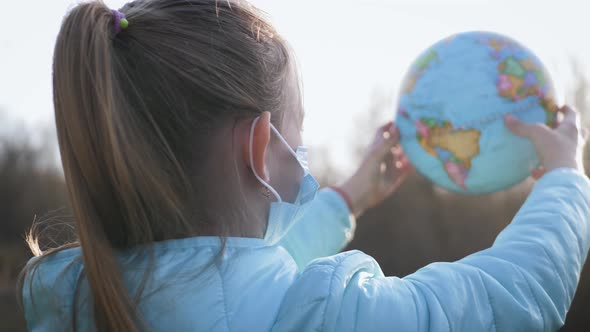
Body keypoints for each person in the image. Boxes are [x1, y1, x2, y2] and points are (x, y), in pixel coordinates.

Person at [20, 0, 590, 331]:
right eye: (300, 126)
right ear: (262, 147)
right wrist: (566, 179)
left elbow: (230, 282)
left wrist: (348, 200)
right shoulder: (336, 316)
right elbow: (509, 295)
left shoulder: (75, 298)